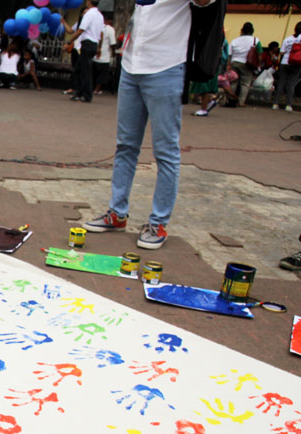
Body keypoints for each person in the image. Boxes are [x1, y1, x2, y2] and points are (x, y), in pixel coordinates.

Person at [83, 0, 216, 250]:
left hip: (166, 67)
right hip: (131, 65)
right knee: (125, 145)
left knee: (166, 151)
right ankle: (117, 212)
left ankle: (158, 222)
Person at [65, 0, 103, 103]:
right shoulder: (99, 15)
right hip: (93, 43)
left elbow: (80, 30)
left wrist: (70, 41)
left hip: (87, 43)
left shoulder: (89, 14)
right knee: (79, 68)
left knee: (85, 71)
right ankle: (79, 92)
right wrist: (99, 47)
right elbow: (100, 33)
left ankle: (87, 95)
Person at [228, 22, 262, 108]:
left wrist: (228, 65)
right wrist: (259, 65)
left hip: (234, 62)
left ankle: (230, 99)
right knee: (245, 84)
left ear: (242, 30)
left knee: (233, 82)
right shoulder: (256, 40)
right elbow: (260, 54)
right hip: (247, 64)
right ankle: (241, 102)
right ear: (252, 31)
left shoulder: (234, 40)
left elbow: (229, 54)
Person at [273, 22, 301, 112]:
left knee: (281, 82)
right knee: (291, 84)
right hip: (296, 63)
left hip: (285, 62)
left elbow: (281, 52)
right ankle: (288, 105)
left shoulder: (288, 39)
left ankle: (275, 103)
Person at [92, 13, 116, 95]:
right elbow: (113, 43)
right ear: (110, 21)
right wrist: (113, 52)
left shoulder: (98, 27)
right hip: (104, 55)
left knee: (94, 73)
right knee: (102, 75)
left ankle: (92, 88)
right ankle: (97, 89)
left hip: (95, 54)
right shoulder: (110, 29)